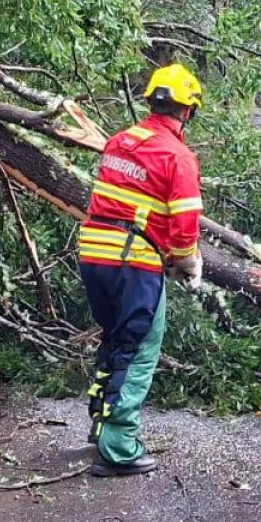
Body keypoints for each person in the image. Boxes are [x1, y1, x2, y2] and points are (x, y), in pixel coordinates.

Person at [77, 63, 205, 477]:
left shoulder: (121, 140)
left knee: (115, 339)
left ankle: (100, 423)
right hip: (133, 260)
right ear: (188, 111)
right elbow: (184, 223)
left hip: (94, 253)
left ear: (151, 100)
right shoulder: (176, 155)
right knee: (139, 347)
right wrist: (186, 261)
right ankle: (118, 447)